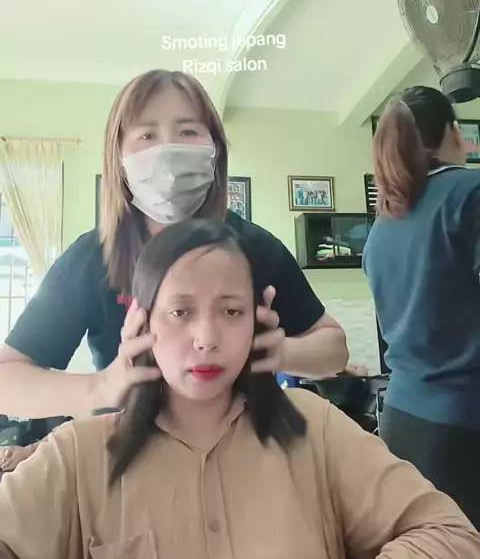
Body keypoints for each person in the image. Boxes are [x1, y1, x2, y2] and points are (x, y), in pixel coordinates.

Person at [1, 219, 480, 559]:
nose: (206, 338)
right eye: (180, 312)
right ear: (141, 323)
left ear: (259, 319)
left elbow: (455, 547)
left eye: (231, 311)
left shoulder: (316, 429)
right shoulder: (76, 459)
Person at [0, 69, 347, 422]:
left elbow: (335, 349)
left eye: (188, 131)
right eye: (147, 134)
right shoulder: (93, 256)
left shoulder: (256, 246)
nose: (166, 151)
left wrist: (283, 352)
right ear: (118, 156)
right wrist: (102, 387)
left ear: (215, 149)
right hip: (133, 446)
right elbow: (6, 380)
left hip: (245, 442)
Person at [363, 85, 480, 559]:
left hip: (403, 426)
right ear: (453, 133)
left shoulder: (383, 229)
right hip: (465, 428)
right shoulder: (469, 194)